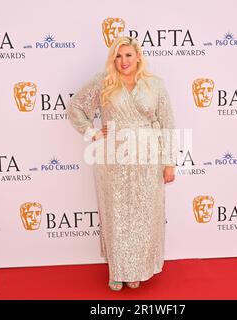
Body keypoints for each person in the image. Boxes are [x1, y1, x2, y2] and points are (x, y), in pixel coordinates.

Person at [67, 36, 177, 291]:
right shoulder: (103, 82)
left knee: (143, 214)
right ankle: (117, 270)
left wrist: (170, 162)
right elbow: (75, 108)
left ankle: (137, 268)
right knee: (116, 214)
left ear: (138, 56)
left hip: (148, 158)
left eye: (128, 55)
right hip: (113, 159)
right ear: (112, 59)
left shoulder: (155, 85)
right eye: (118, 56)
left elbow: (168, 124)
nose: (123, 61)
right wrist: (92, 133)